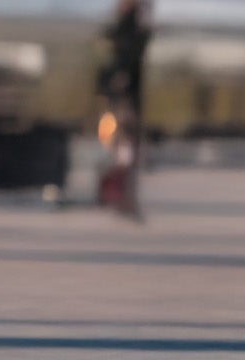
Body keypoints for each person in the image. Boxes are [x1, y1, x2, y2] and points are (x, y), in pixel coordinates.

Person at [95, 0, 151, 222]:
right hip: (122, 98)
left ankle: (122, 199)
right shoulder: (127, 29)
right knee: (122, 150)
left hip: (124, 98)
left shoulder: (128, 29)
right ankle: (120, 198)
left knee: (123, 150)